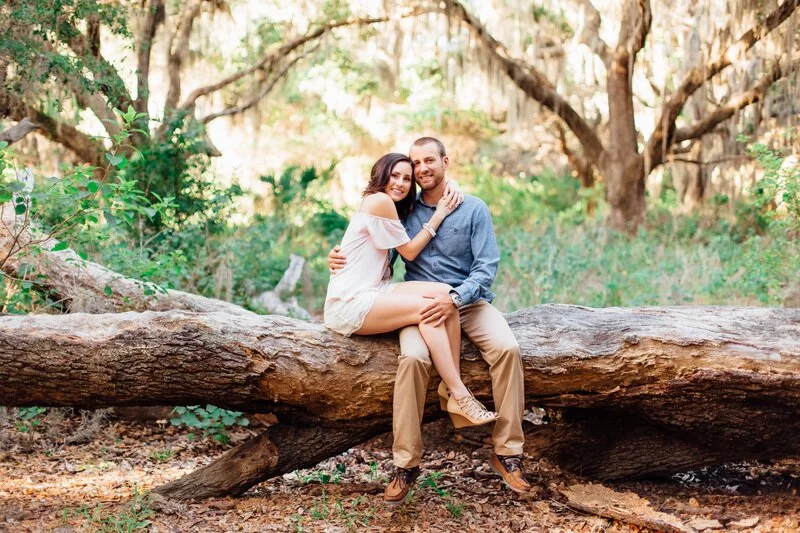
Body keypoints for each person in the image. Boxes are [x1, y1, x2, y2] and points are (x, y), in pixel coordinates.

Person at [329, 138, 530, 504]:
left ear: (445, 162)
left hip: (467, 301)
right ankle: (405, 464)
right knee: (413, 360)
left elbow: (487, 268)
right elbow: (365, 237)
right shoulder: (403, 208)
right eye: (414, 164)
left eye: (428, 161)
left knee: (508, 349)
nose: (421, 170)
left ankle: (507, 453)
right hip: (417, 301)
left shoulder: (473, 209)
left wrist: (457, 297)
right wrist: (336, 257)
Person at [324, 153, 499, 435]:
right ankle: (461, 395)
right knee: (426, 310)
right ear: (381, 174)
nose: (401, 183)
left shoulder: (385, 205)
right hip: (351, 302)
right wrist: (440, 213)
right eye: (395, 176)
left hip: (376, 289)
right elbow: (409, 251)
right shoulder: (379, 201)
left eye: (407, 178)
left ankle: (452, 388)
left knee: (445, 295)